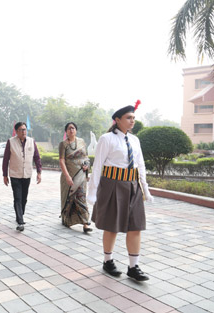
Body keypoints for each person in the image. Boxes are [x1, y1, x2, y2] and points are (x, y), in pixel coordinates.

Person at [87, 101, 153, 282]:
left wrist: (145, 189)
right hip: (112, 185)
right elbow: (98, 165)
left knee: (136, 226)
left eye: (133, 118)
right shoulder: (106, 139)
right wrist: (92, 192)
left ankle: (133, 267)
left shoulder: (135, 140)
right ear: (117, 120)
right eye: (128, 118)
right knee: (112, 226)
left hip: (133, 186)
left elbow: (141, 165)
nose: (132, 121)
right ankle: (108, 261)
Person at [2, 122, 42, 231]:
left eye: (25, 129)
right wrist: (5, 175)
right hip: (15, 174)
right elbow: (6, 159)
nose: (24, 131)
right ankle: (20, 221)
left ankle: (20, 214)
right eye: (21, 130)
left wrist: (39, 172)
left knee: (24, 198)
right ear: (16, 131)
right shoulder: (11, 142)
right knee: (17, 198)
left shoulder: (31, 141)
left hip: (27, 174)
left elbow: (37, 157)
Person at [58, 122, 92, 233]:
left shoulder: (81, 142)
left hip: (81, 175)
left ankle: (86, 223)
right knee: (69, 199)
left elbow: (86, 157)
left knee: (81, 197)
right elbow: (62, 161)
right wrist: (67, 176)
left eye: (73, 128)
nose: (71, 130)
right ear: (66, 131)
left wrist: (87, 164)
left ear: (76, 130)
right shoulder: (63, 144)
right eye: (69, 128)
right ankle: (67, 219)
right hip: (69, 176)